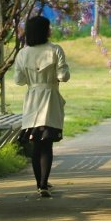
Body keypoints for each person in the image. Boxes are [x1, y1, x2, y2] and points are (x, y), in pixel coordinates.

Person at [14, 15, 70, 198]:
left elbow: (19, 80)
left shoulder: (23, 53)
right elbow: (64, 76)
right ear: (45, 31)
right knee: (47, 145)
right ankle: (44, 184)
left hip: (32, 100)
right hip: (50, 98)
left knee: (36, 144)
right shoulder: (55, 50)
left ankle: (39, 184)